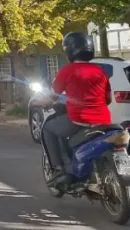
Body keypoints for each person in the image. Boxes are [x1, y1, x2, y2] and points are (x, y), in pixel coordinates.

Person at [41, 32, 112, 188]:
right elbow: (108, 99)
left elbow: (52, 96)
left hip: (79, 120)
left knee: (48, 128)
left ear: (69, 50)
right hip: (104, 120)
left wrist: (42, 103)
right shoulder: (100, 71)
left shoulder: (67, 70)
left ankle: (58, 169)